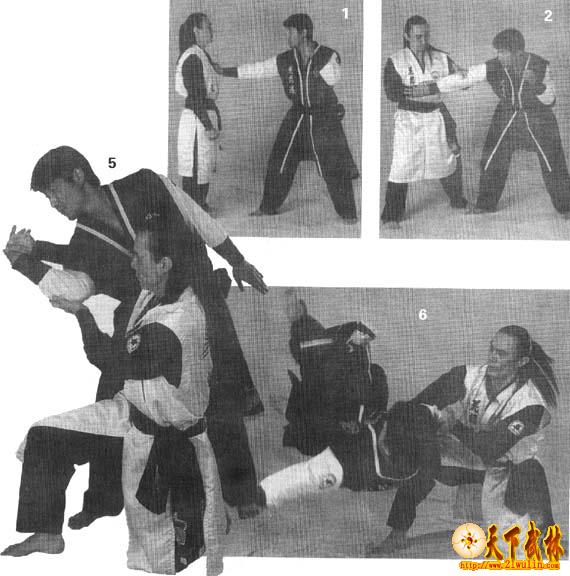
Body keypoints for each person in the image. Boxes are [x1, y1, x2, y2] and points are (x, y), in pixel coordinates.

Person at [4, 146, 265, 525]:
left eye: (54, 191)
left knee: (219, 393)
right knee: (114, 397)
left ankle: (243, 492)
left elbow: (196, 216)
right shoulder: (83, 241)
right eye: (48, 197)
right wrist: (24, 261)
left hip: (199, 299)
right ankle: (105, 500)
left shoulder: (145, 183)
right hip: (148, 326)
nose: (53, 203)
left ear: (77, 176)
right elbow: (74, 285)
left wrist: (237, 259)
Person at [2, 215, 225, 576]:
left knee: (163, 559)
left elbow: (106, 359)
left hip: (161, 434)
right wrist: (27, 258)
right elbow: (88, 271)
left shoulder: (172, 324)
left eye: (138, 256)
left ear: (164, 264)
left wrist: (82, 315)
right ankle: (47, 534)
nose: (131, 262)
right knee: (44, 436)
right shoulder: (161, 290)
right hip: (135, 409)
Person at [370, 325, 559, 555]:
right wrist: (391, 424)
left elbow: (491, 449)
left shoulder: (531, 403)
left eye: (501, 354)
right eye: (492, 349)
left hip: (507, 471)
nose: (492, 357)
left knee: (525, 536)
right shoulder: (468, 376)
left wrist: (453, 424)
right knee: (424, 456)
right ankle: (397, 534)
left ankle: (544, 535)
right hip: (465, 459)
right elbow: (416, 405)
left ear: (521, 362)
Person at [216, 13, 359, 222]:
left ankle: (348, 213)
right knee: (280, 159)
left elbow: (334, 79)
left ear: (303, 33)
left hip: (324, 118)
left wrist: (312, 60)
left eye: (291, 32)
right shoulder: (286, 59)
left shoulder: (327, 55)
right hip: (298, 116)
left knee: (333, 165)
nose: (288, 37)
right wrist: (225, 71)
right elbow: (259, 69)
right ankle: (268, 206)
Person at [422, 28, 570, 217]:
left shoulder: (540, 65)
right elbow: (467, 77)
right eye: (497, 52)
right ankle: (486, 204)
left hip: (539, 117)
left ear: (518, 53)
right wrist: (433, 87)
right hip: (507, 115)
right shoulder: (494, 66)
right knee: (492, 156)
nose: (498, 56)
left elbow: (551, 100)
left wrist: (537, 85)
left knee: (553, 160)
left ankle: (566, 206)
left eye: (502, 52)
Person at [381, 15, 468, 228]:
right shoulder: (396, 60)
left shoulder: (441, 58)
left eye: (426, 36)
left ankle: (458, 200)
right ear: (406, 36)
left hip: (436, 114)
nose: (423, 41)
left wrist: (461, 75)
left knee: (448, 157)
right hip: (409, 118)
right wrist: (421, 91)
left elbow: (463, 82)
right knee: (402, 165)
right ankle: (391, 216)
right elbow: (392, 92)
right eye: (418, 37)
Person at [176, 13, 221, 211]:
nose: (212, 30)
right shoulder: (192, 57)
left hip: (201, 114)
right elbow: (195, 97)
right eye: (208, 26)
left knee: (204, 165)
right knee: (196, 166)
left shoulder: (199, 54)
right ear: (196, 31)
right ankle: (193, 211)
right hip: (197, 118)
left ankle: (199, 206)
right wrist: (208, 125)